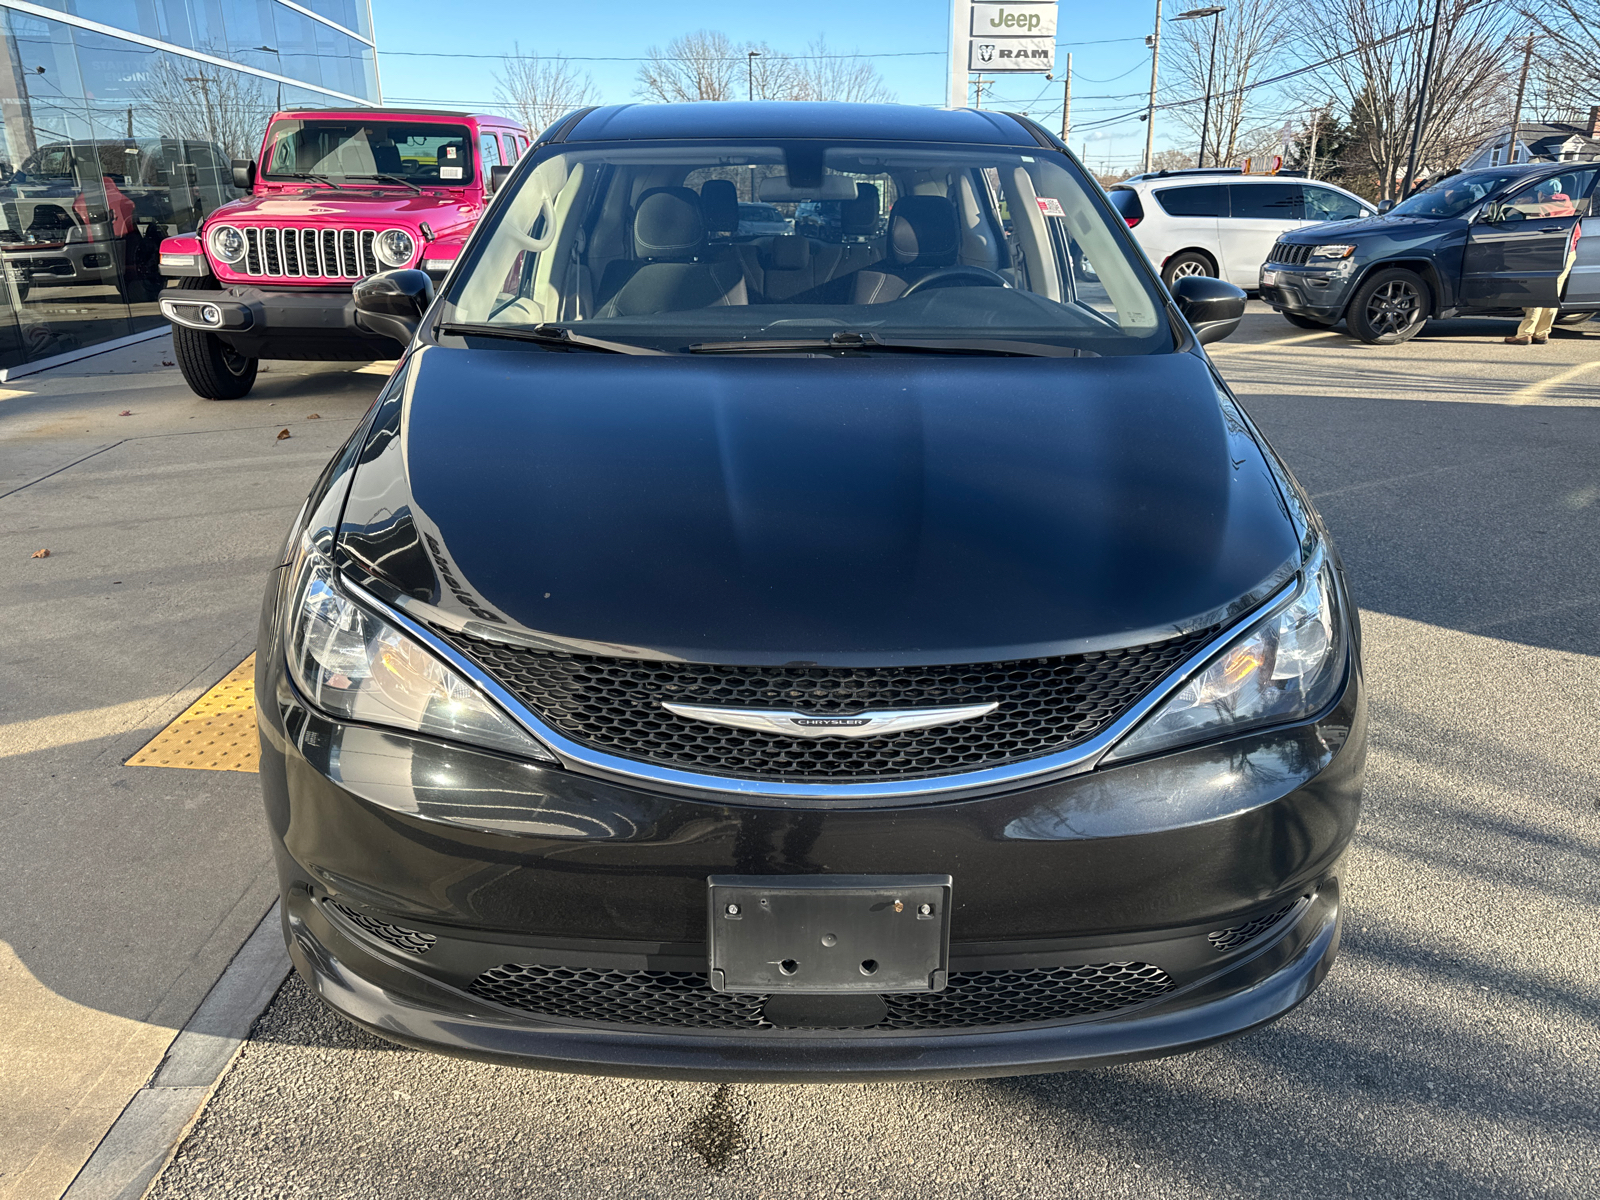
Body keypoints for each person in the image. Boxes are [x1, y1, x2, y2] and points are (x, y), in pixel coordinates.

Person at [1506, 181, 1580, 345]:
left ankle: (1524, 334)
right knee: (1552, 293)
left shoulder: (1542, 208)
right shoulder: (1570, 206)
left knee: (1536, 292)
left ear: (1542, 194)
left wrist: (1518, 207)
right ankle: (1542, 332)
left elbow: (1525, 228)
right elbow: (1577, 234)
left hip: (1544, 253)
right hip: (1567, 253)